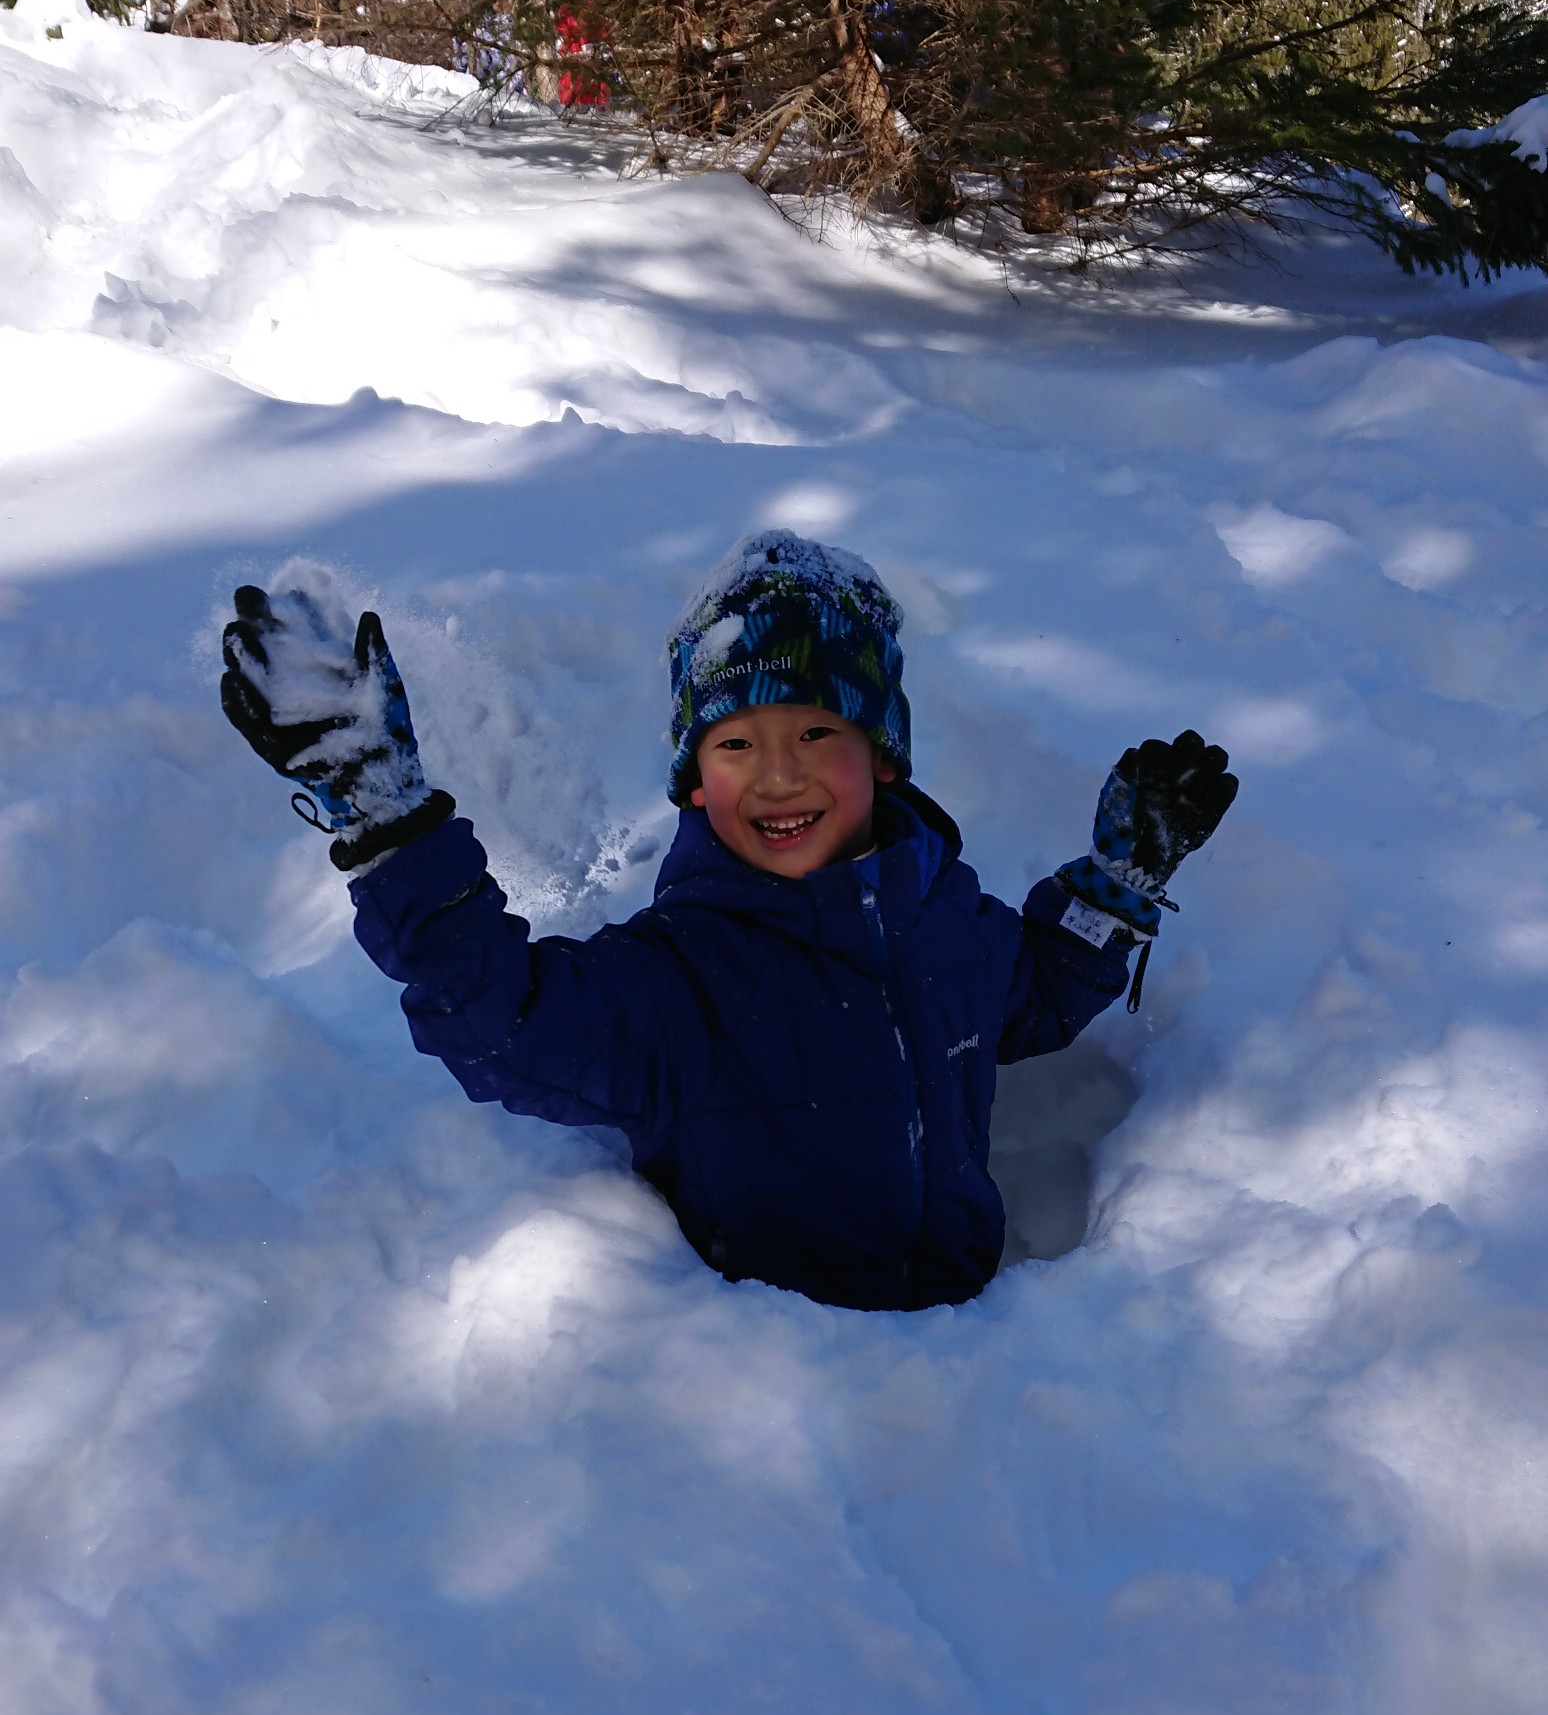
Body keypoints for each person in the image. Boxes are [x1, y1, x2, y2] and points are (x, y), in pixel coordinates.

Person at [220, 532, 1236, 1311]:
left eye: (815, 730)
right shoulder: (682, 980)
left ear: (882, 755)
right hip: (779, 1407)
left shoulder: (945, 920)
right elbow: (504, 1018)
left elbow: (1036, 991)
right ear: (693, 783)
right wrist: (390, 827)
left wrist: (1117, 886)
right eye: (736, 742)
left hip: (979, 1360)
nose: (779, 771)